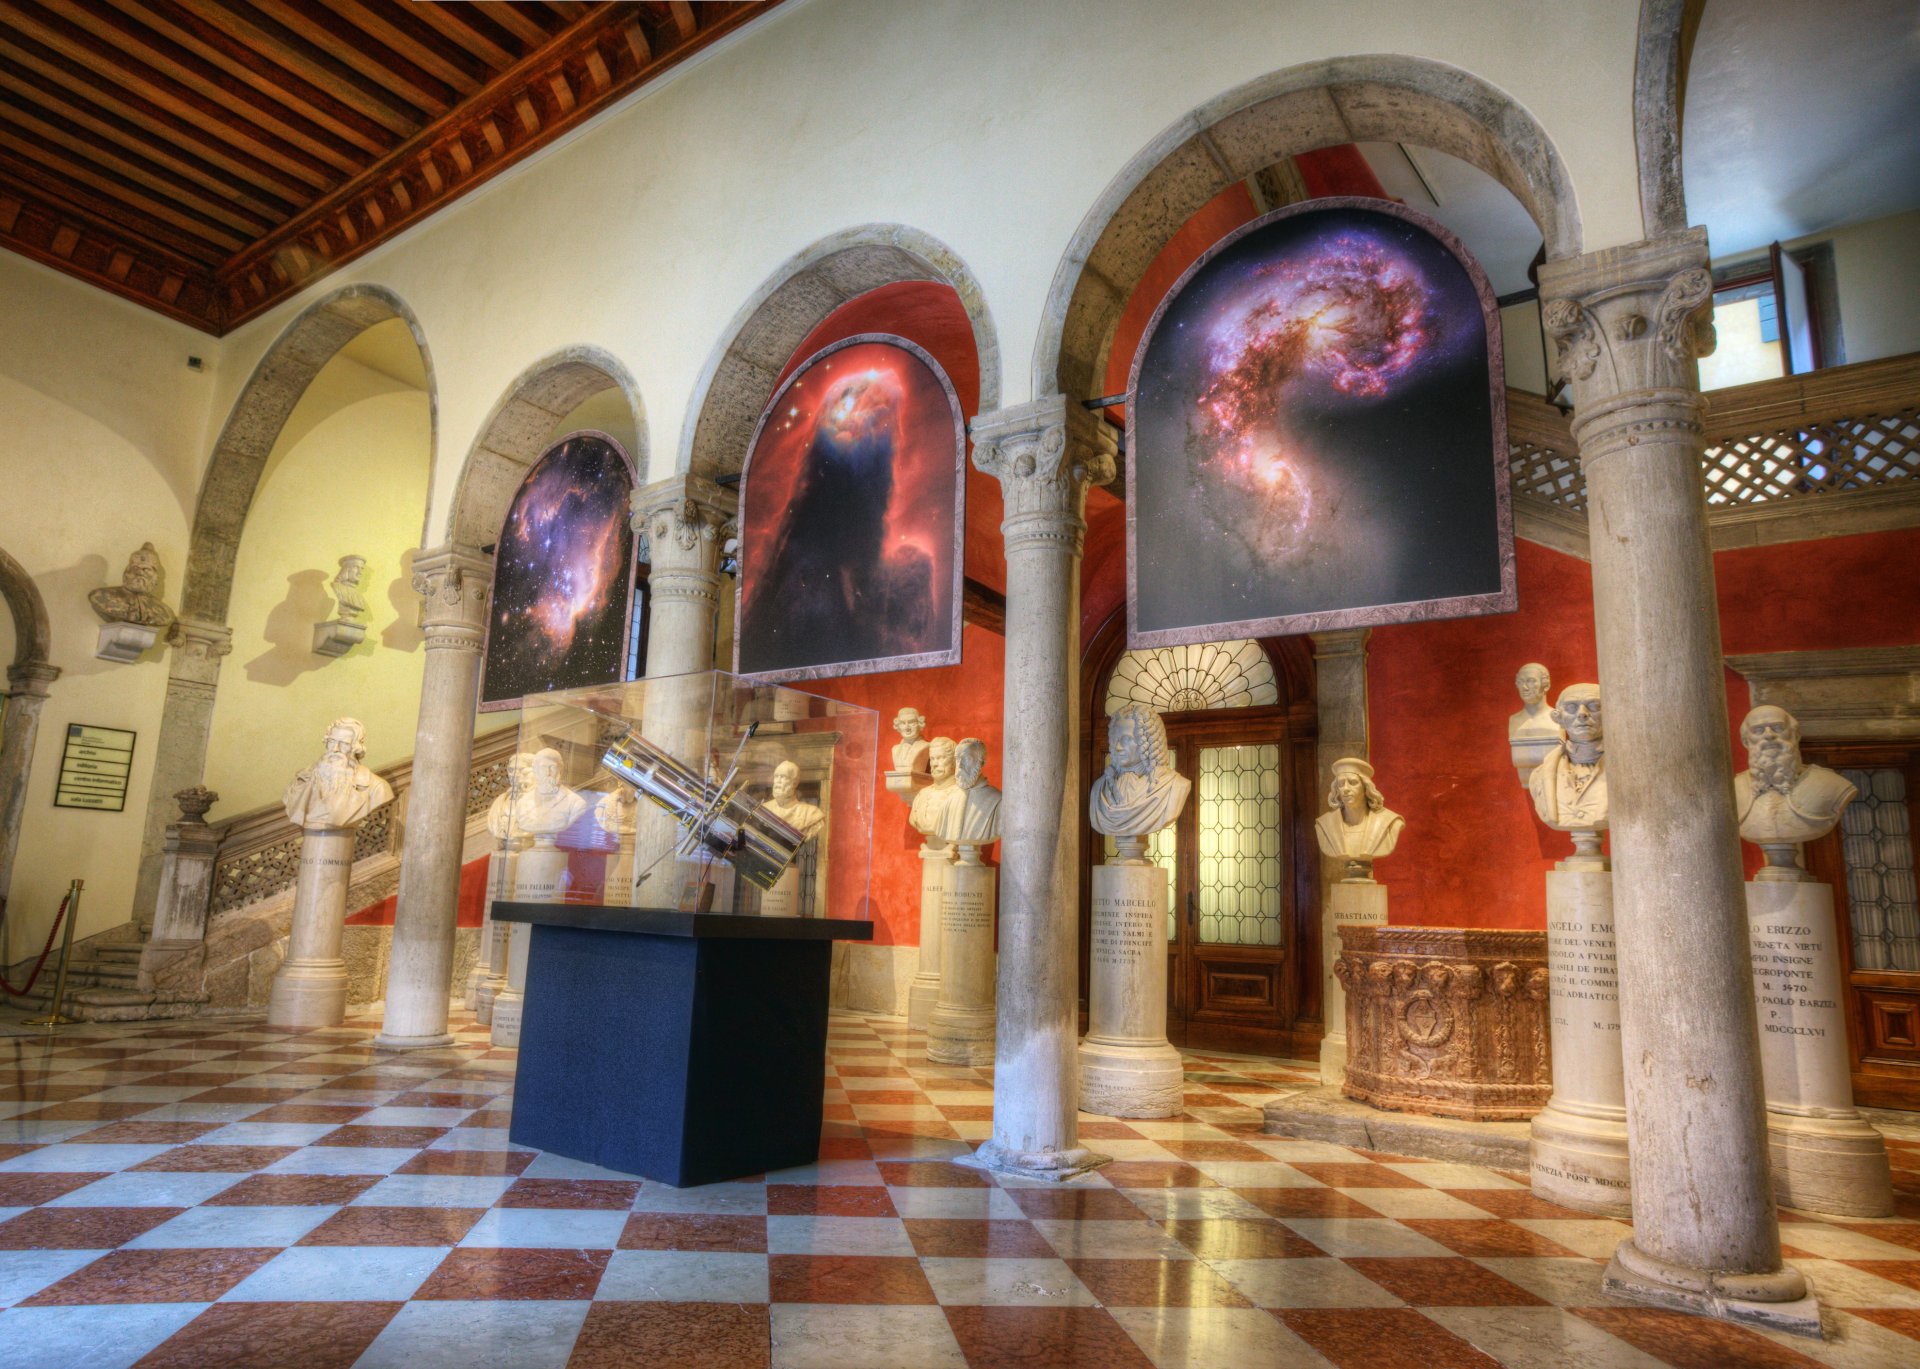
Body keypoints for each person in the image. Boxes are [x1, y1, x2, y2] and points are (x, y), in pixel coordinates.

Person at [1734, 705, 1857, 868]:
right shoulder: (1733, 790)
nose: (1769, 735)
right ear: (1745, 740)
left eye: (1778, 728)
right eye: (1758, 730)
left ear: (1795, 734)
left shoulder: (1829, 784)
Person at [1089, 704, 1189, 838]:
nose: (1118, 747)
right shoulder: (1099, 789)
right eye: (1115, 740)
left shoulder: (1175, 785)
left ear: (1147, 741)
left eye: (1126, 739)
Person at [283, 718, 394, 829]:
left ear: (356, 748)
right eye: (332, 742)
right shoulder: (301, 780)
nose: (335, 749)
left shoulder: (377, 788)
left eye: (344, 744)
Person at [1528, 684, 1608, 831]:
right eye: (1571, 707)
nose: (1582, 713)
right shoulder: (1538, 776)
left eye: (1594, 706)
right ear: (1558, 718)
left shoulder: (1630, 772)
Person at [1313, 757, 1404, 878]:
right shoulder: (1325, 825)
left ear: (1366, 788)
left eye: (1352, 782)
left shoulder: (1389, 822)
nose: (1345, 789)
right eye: (1340, 784)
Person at [935, 738, 1002, 848]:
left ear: (982, 762)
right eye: (957, 759)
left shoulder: (997, 801)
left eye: (967, 759)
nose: (960, 766)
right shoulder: (947, 800)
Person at [766, 759, 827, 842]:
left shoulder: (812, 813)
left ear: (794, 783)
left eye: (783, 777)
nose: (778, 781)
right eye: (776, 776)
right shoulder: (764, 809)